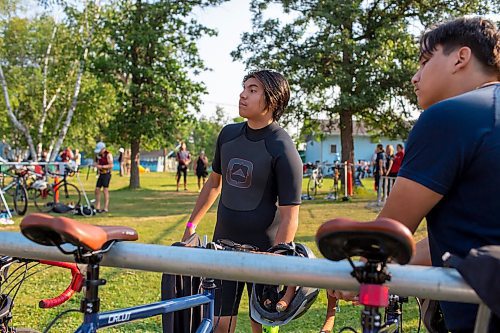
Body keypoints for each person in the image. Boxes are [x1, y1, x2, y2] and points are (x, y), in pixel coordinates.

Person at [377, 17, 500, 332]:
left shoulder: (449, 116)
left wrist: (355, 276)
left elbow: (384, 238)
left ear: (461, 57)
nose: (415, 77)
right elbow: (467, 237)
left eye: (424, 61)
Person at [181, 70, 303, 333]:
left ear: (272, 100)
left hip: (264, 252)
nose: (242, 94)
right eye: (244, 87)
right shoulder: (228, 136)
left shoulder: (283, 147)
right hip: (223, 244)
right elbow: (213, 184)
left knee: (262, 323)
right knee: (219, 322)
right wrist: (191, 225)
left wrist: (278, 257)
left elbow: (290, 215)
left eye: (253, 89)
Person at [93, 141, 113, 213]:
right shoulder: (98, 155)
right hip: (101, 174)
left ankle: (105, 207)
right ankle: (97, 207)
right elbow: (96, 162)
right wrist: (95, 165)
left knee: (105, 190)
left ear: (103, 149)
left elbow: (111, 165)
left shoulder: (108, 155)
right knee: (97, 189)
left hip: (106, 174)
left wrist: (101, 167)